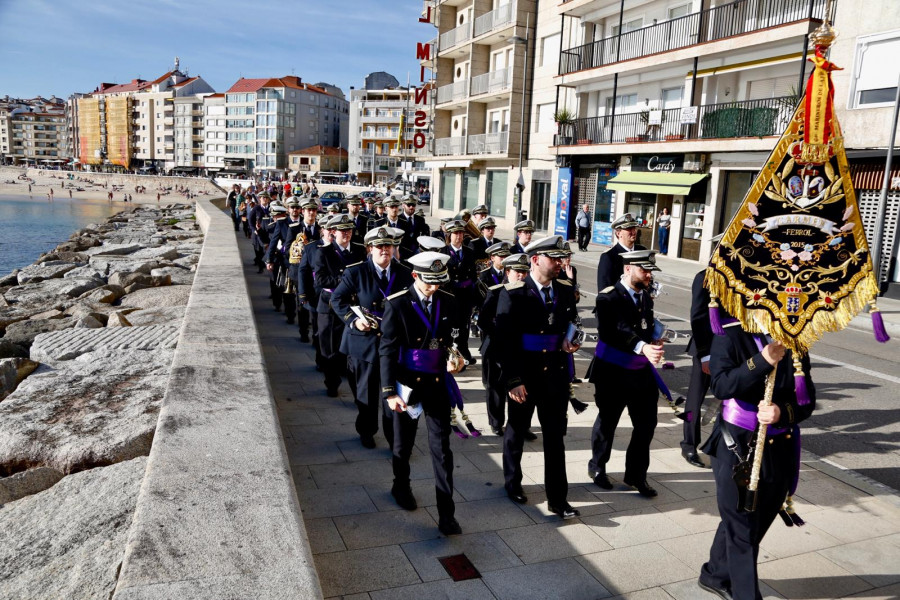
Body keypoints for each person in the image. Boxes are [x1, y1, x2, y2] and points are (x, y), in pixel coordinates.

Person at [698, 322, 815, 600]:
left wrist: (782, 413)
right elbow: (722, 385)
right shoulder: (729, 334)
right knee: (743, 529)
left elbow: (806, 398)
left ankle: (715, 573)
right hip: (737, 445)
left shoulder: (796, 339)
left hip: (779, 445)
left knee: (754, 518)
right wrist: (762, 360)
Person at [495, 235, 582, 519]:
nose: (560, 263)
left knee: (555, 439)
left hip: (554, 376)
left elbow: (570, 322)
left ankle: (558, 498)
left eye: (561, 258)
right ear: (535, 259)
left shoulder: (566, 289)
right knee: (516, 431)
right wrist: (512, 380)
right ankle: (512, 483)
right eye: (554, 258)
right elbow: (504, 342)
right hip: (524, 375)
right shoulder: (514, 293)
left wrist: (570, 341)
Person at [379, 251, 463, 536]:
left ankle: (447, 514)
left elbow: (454, 340)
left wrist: (457, 359)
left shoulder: (448, 301)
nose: (434, 287)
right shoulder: (398, 304)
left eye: (439, 282)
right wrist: (390, 392)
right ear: (415, 276)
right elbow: (387, 351)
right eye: (429, 282)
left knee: (442, 450)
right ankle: (400, 486)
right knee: (403, 445)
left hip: (437, 383)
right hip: (407, 384)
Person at [587, 250, 665, 498]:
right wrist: (643, 346)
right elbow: (616, 330)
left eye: (651, 271)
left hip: (641, 372)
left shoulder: (645, 297)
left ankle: (636, 475)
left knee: (646, 425)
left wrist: (655, 339)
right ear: (628, 268)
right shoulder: (607, 298)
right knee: (608, 422)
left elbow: (645, 326)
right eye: (645, 270)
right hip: (613, 372)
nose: (649, 275)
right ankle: (598, 468)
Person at [332, 226, 413, 449]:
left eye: (388, 245)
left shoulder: (405, 272)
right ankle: (366, 431)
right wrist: (353, 320)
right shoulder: (355, 272)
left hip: (394, 344)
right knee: (366, 395)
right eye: (379, 246)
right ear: (369, 249)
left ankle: (393, 437)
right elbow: (337, 300)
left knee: (393, 395)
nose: (384, 250)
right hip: (364, 343)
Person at [314, 214, 367, 397]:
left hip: (353, 305)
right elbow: (320, 279)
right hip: (329, 306)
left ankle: (356, 388)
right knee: (330, 350)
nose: (347, 234)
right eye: (342, 231)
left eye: (349, 230)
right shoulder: (324, 252)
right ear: (333, 232)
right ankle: (332, 383)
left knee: (353, 350)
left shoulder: (360, 251)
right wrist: (345, 280)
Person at [479, 249, 529, 437]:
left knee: (520, 385)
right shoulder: (497, 292)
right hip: (495, 347)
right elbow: (482, 321)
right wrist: (500, 331)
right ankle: (496, 422)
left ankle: (520, 425)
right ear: (508, 273)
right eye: (518, 272)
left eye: (525, 272)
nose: (522, 276)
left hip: (519, 348)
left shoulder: (528, 293)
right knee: (495, 387)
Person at [681, 269, 714, 469]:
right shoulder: (703, 277)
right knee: (695, 400)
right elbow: (698, 317)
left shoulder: (741, 274)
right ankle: (689, 444)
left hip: (733, 348)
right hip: (708, 347)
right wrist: (705, 354)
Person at [441, 220, 478, 366]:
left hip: (465, 295)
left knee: (464, 325)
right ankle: (450, 353)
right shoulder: (443, 252)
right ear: (450, 235)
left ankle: (464, 351)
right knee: (450, 325)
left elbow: (474, 275)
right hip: (450, 295)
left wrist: (469, 285)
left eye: (461, 233)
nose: (459, 236)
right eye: (456, 233)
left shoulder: (469, 252)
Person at [596, 212, 646, 291]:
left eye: (634, 228)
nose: (634, 232)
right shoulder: (609, 256)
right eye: (629, 229)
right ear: (618, 233)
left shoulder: (642, 252)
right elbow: (604, 291)